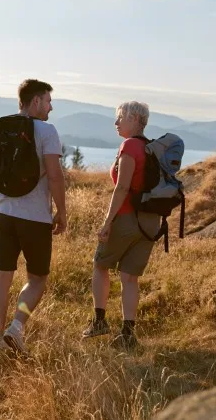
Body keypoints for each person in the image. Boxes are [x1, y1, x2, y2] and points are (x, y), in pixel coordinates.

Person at [0, 79, 66, 354]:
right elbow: (54, 175)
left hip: (3, 214)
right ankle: (16, 327)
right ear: (35, 102)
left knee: (2, 276)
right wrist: (61, 211)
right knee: (37, 278)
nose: (51, 107)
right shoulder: (46, 131)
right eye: (48, 101)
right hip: (35, 218)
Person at [82, 101, 160, 350]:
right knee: (129, 277)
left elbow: (123, 187)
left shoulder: (129, 146)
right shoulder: (151, 148)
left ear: (135, 118)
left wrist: (107, 222)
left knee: (100, 265)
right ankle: (127, 334)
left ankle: (100, 322)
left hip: (126, 218)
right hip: (150, 222)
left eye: (119, 118)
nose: (116, 123)